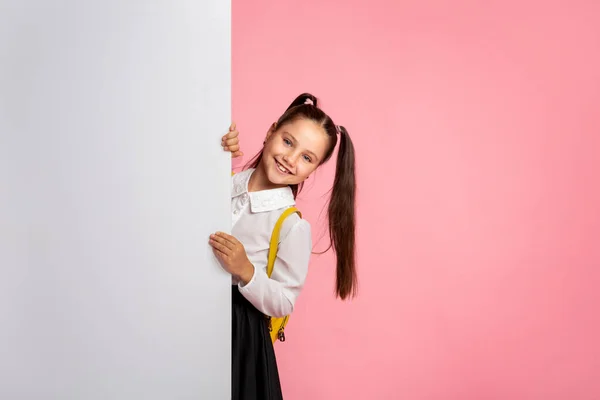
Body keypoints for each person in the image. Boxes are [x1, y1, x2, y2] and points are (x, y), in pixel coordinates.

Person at [209, 93, 357, 399]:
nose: (290, 159)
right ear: (270, 131)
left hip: (239, 334)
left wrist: (247, 271)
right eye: (288, 142)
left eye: (307, 157)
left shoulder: (291, 226)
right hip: (188, 308)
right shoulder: (222, 180)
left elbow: (284, 301)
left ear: (313, 170)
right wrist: (218, 151)